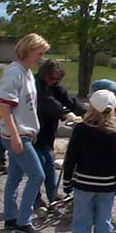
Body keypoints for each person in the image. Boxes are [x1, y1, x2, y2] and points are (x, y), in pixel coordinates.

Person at [63, 89, 116, 233]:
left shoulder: (81, 129)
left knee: (81, 222)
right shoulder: (114, 134)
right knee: (104, 222)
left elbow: (70, 157)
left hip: (83, 184)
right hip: (106, 186)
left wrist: (67, 181)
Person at [0, 33, 50, 233]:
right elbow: (5, 107)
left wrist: (31, 130)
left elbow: (27, 107)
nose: (41, 58)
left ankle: (10, 217)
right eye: (40, 53)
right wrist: (16, 136)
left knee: (15, 176)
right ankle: (24, 222)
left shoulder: (27, 73)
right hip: (14, 135)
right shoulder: (14, 72)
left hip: (24, 133)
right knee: (37, 175)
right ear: (28, 50)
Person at [34, 59, 87, 207]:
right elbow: (46, 102)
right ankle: (35, 198)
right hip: (33, 131)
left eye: (58, 79)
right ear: (44, 74)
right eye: (52, 78)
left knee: (49, 164)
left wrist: (87, 114)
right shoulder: (34, 85)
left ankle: (52, 196)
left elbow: (69, 100)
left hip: (47, 132)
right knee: (38, 167)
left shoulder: (55, 86)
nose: (54, 81)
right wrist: (64, 113)